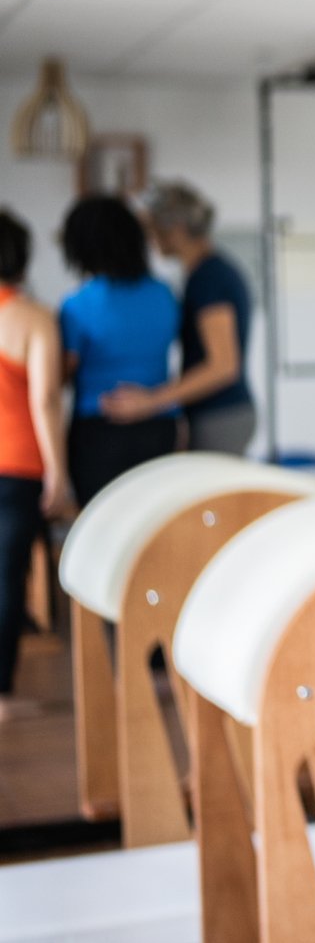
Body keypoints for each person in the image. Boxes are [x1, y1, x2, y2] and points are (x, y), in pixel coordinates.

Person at [102, 181, 256, 455]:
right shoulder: (206, 273)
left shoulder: (209, 278)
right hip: (218, 414)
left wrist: (152, 400)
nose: (150, 239)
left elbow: (223, 365)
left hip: (222, 415)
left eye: (152, 229)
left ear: (175, 229)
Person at [57, 196, 180, 508]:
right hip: (159, 425)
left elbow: (62, 374)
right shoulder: (164, 294)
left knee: (101, 524)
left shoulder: (77, 306)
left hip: (99, 431)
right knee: (152, 520)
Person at [0, 209, 70, 722]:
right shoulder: (33, 317)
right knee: (7, 578)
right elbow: (45, 398)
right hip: (18, 463)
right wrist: (58, 473)